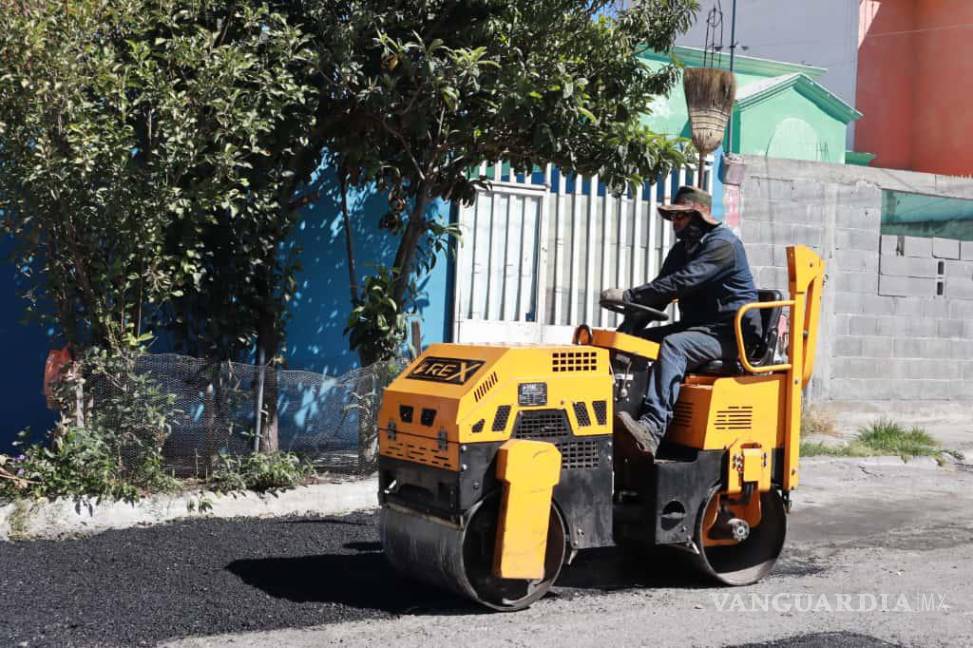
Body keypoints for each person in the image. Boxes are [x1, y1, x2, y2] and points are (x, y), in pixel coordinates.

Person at [601, 186, 762, 456]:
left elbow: (683, 281)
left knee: (675, 345)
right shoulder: (682, 250)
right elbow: (660, 291)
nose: (675, 223)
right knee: (638, 343)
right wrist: (627, 334)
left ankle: (652, 428)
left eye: (681, 217)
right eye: (673, 218)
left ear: (700, 216)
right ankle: (617, 415)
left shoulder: (723, 245)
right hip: (700, 328)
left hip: (731, 335)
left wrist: (630, 294)